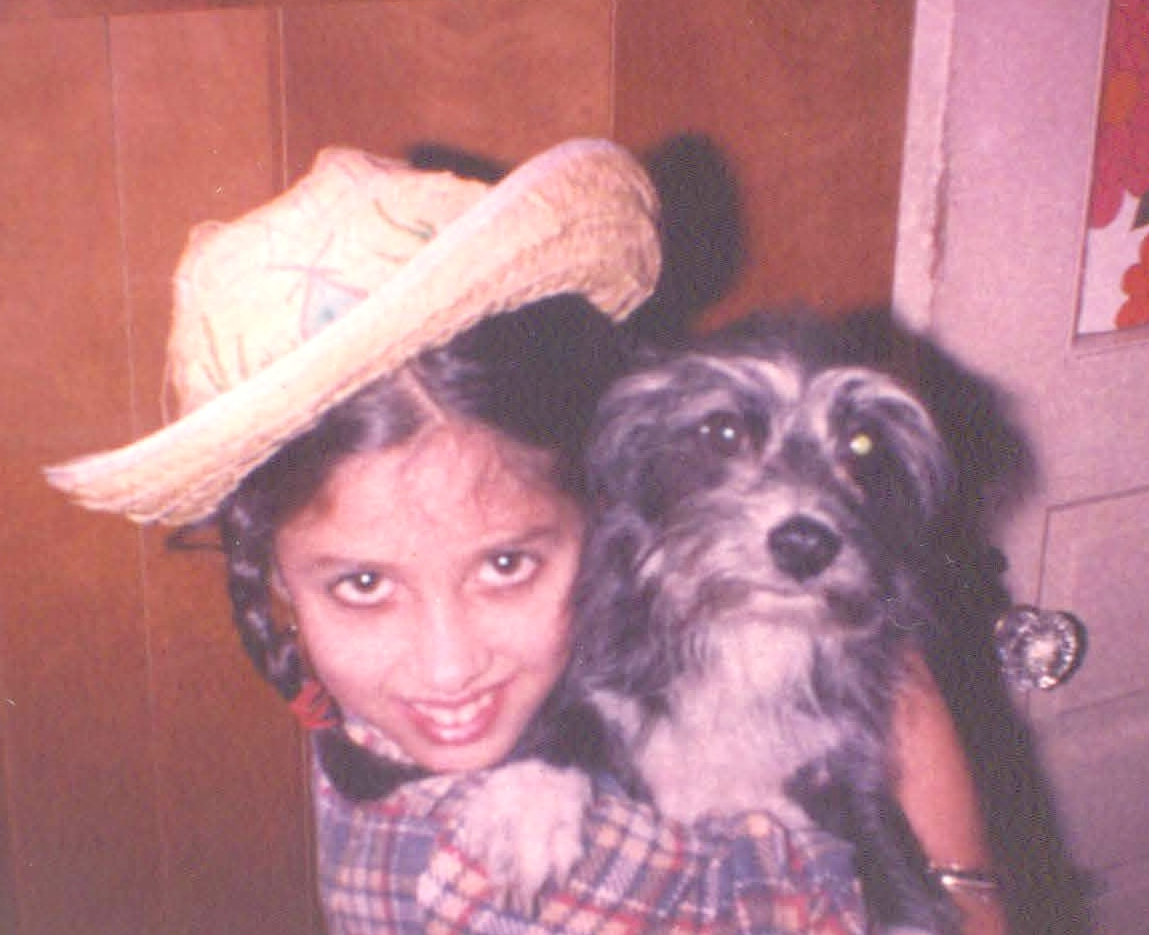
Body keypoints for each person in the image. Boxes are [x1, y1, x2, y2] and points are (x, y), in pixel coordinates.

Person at [45, 139, 1003, 934]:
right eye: (365, 585)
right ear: (276, 586)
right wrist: (962, 871)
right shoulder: (498, 876)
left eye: (505, 565)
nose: (449, 664)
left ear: (609, 507)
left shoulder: (377, 713)